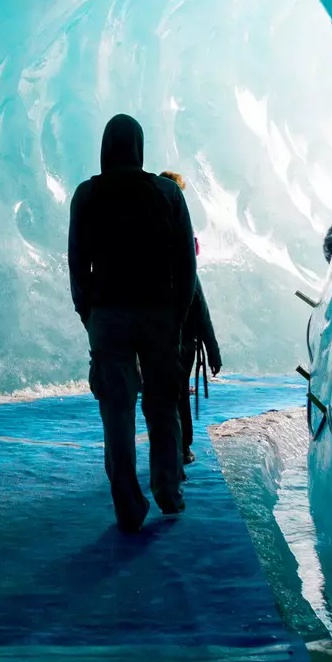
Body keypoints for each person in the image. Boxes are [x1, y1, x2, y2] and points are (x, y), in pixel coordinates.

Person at [68, 114, 195, 531]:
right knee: (163, 406)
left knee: (117, 411)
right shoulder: (167, 193)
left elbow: (77, 262)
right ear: (139, 147)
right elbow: (186, 264)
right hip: (159, 315)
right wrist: (178, 314)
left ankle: (128, 506)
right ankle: (168, 491)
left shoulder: (87, 194)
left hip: (108, 315)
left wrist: (89, 313)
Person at [159, 171, 222, 466]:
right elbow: (199, 305)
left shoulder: (153, 235)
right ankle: (181, 448)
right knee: (178, 392)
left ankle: (174, 448)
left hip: (157, 335)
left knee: (165, 395)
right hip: (180, 338)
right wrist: (212, 349)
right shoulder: (181, 239)